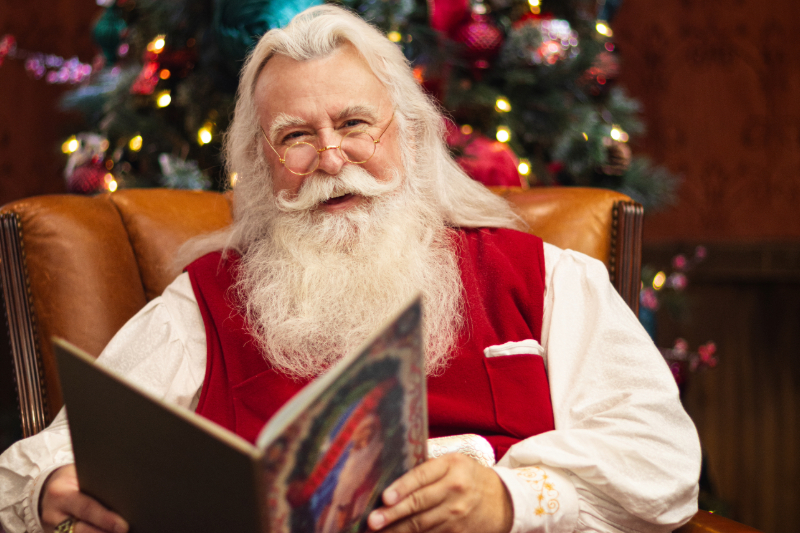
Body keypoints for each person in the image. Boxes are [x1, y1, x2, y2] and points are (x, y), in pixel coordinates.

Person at [0, 6, 701, 533]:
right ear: (262, 164)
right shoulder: (205, 302)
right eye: (295, 136)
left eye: (355, 124)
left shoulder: (543, 276)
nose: (331, 159)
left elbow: (662, 461)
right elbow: (31, 468)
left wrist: (511, 498)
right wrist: (50, 488)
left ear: (414, 132)